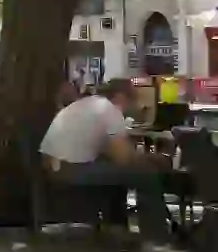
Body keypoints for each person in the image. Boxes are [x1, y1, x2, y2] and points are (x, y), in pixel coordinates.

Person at [39, 78, 171, 242]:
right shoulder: (109, 110)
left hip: (53, 167)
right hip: (72, 170)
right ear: (121, 96)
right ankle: (157, 239)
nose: (133, 106)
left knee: (120, 174)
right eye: (133, 99)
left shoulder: (85, 104)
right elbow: (124, 158)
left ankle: (117, 228)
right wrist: (152, 159)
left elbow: (111, 152)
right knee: (146, 175)